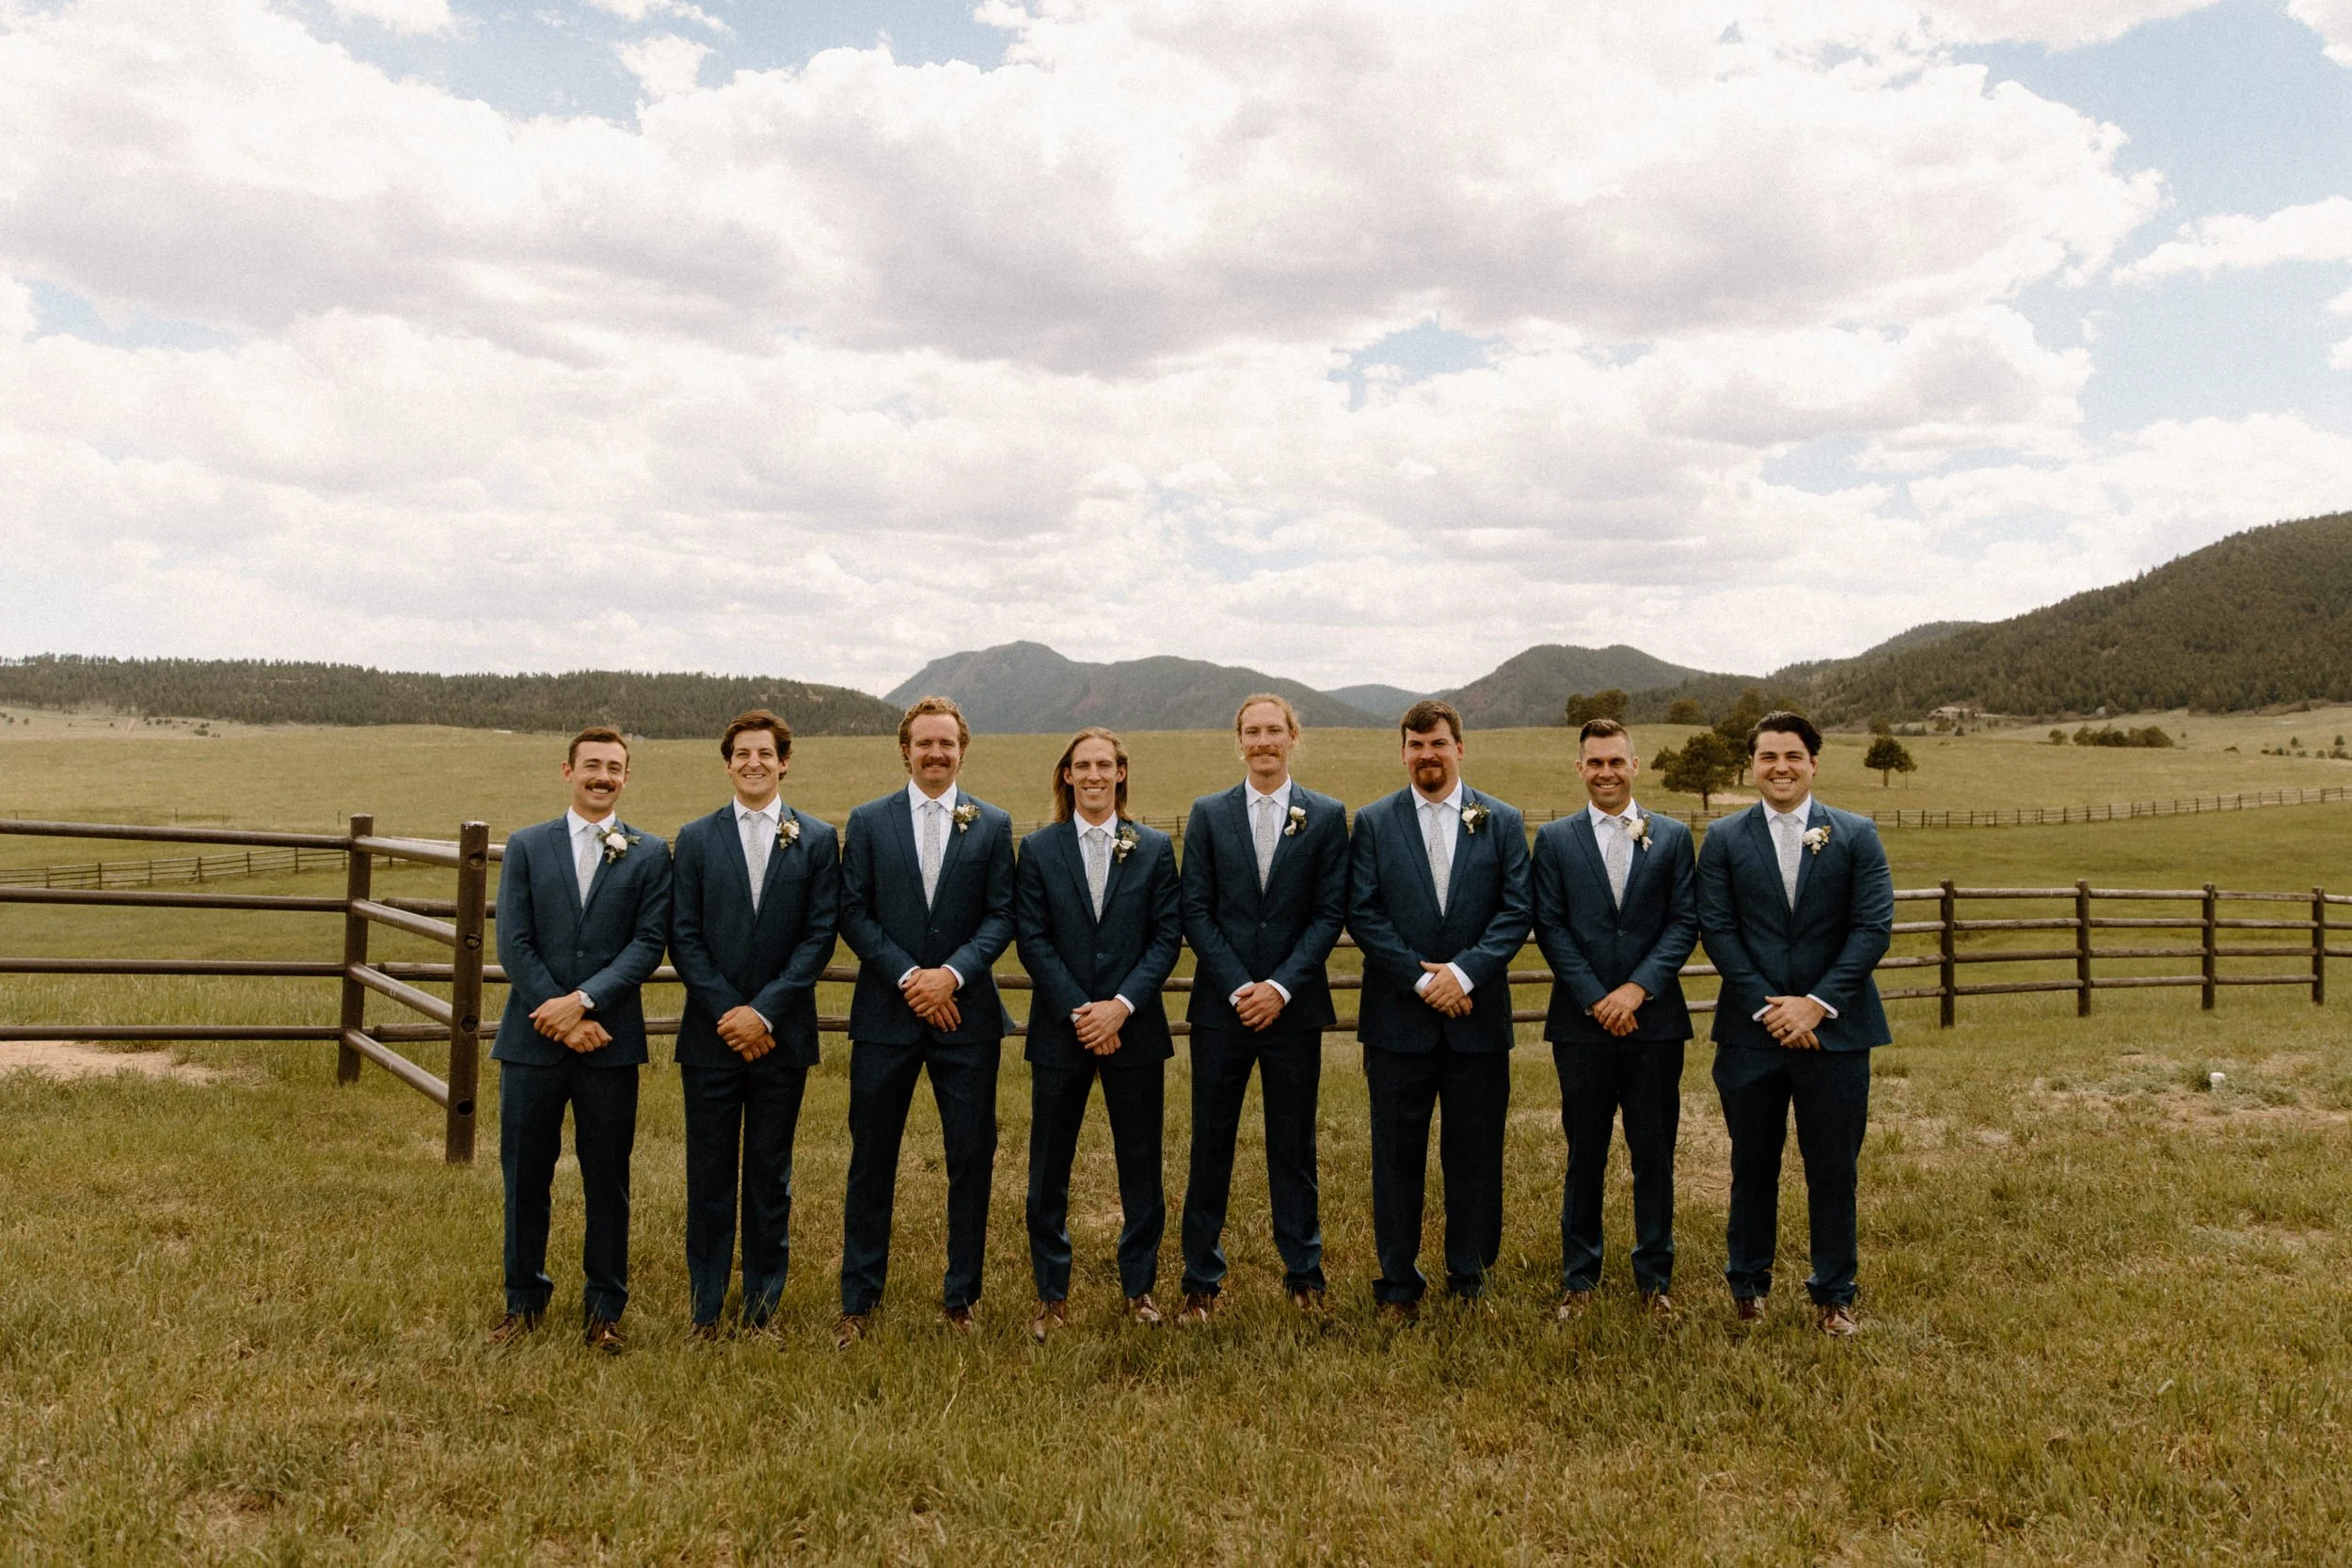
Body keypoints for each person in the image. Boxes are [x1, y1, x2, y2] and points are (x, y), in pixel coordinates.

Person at [1696, 710, 1894, 1336]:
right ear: (1752, 765)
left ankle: (1834, 1295)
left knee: (1833, 1167)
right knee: (1752, 1164)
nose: (1780, 767)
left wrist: (1816, 1003)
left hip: (1836, 1033)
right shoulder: (1724, 838)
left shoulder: (1856, 834)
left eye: (1792, 756)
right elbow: (1717, 929)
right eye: (1768, 756)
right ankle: (1748, 1288)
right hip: (1751, 1033)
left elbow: (1872, 927)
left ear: (1813, 763)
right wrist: (1770, 1006)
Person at [834, 697, 1015, 1347]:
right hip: (887, 1015)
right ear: (905, 750)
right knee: (871, 1159)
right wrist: (912, 977)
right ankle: (858, 1299)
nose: (935, 753)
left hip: (966, 1019)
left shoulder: (992, 824)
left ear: (962, 750)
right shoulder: (869, 820)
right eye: (924, 743)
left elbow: (1002, 914)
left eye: (946, 743)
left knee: (970, 1156)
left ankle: (962, 1297)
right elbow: (853, 912)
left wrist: (952, 975)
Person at [1344, 700, 1532, 1319]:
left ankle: (1470, 1275)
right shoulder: (1374, 822)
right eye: (1416, 744)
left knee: (1475, 1154)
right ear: (1403, 752)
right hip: (1398, 1021)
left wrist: (1464, 972)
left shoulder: (1501, 820)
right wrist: (1422, 980)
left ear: (1460, 748)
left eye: (1438, 743)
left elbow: (1516, 909)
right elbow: (1363, 911)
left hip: (1477, 1018)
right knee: (1396, 1156)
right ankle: (1398, 1282)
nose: (1427, 754)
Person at [488, 725, 672, 1353]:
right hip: (532, 1041)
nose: (602, 776)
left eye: (614, 767)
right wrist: (557, 1010)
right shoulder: (527, 845)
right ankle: (522, 1302)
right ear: (567, 771)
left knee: (607, 1180)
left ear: (626, 777)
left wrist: (585, 1003)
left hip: (608, 1041)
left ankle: (604, 1309)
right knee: (525, 1177)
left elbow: (647, 944)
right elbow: (513, 940)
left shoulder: (650, 853)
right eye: (591, 764)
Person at [1175, 693, 1348, 1321]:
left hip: (1293, 1012)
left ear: (1293, 736)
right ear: (1239, 740)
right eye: (1253, 731)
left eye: (1275, 729)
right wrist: (1239, 986)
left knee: (1293, 1145)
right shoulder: (1209, 813)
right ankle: (1201, 1279)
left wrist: (1280, 987)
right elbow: (1196, 909)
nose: (1264, 740)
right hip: (1222, 1011)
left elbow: (1329, 913)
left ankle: (1304, 1274)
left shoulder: (1325, 815)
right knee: (1210, 1143)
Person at [666, 709, 839, 1340]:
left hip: (781, 1037)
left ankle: (762, 1308)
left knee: (770, 1176)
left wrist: (764, 1012)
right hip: (711, 1038)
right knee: (709, 1176)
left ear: (783, 762)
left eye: (765, 753)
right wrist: (729, 1012)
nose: (753, 763)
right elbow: (683, 936)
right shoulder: (695, 838)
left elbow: (819, 935)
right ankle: (706, 1309)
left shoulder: (817, 839)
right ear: (728, 763)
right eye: (742, 753)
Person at [1015, 727, 1184, 1338]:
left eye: (1103, 765)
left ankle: (1139, 1289)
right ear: (1067, 774)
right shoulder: (1038, 849)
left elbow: (1166, 937)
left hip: (1134, 1031)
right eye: (1082, 765)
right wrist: (1082, 1011)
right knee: (1048, 1168)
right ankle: (1051, 1295)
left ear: (1120, 773)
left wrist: (1121, 1007)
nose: (1093, 774)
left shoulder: (1153, 847)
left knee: (1141, 1164)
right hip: (1061, 1032)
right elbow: (1032, 937)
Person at [1530, 717, 1698, 1321]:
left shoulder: (1672, 837)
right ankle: (1580, 1276)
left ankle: (1655, 1279)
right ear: (1580, 768)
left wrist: (1635, 991)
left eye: (1616, 762)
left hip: (1655, 1025)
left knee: (1654, 1152)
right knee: (1586, 1152)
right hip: (1582, 1025)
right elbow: (1549, 925)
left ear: (1635, 765)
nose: (1606, 773)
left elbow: (1684, 922)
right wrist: (1597, 997)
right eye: (1595, 763)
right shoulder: (1554, 840)